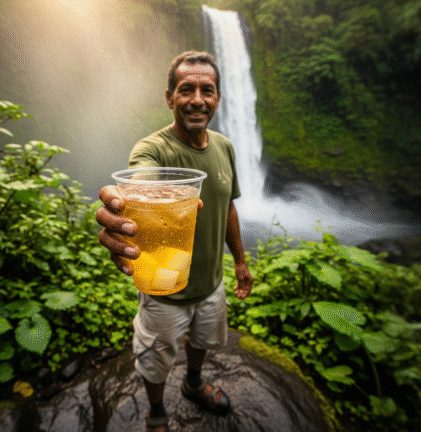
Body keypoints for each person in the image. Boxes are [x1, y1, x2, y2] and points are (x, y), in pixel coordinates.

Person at [95, 50, 254, 432]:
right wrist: (121, 206)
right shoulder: (153, 150)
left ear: (217, 97)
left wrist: (240, 261)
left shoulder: (224, 147)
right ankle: (156, 413)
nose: (198, 99)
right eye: (186, 89)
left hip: (211, 283)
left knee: (202, 340)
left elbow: (227, 207)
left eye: (207, 90)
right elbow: (141, 179)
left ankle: (193, 383)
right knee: (155, 357)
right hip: (163, 289)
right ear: (170, 98)